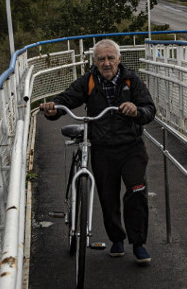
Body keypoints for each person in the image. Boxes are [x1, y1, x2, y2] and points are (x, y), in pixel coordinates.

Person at [40, 39, 157, 265]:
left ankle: (138, 244)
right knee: (107, 196)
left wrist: (136, 111)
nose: (106, 63)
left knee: (136, 192)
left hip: (131, 146)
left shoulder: (132, 80)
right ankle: (117, 239)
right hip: (103, 148)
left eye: (110, 58)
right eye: (101, 59)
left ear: (119, 59)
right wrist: (52, 108)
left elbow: (150, 109)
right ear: (94, 61)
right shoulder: (88, 81)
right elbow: (66, 99)